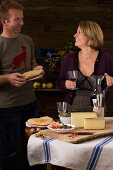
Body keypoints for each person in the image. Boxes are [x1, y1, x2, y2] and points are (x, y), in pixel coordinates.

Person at [0, 1, 46, 170]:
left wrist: (37, 69)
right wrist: (8, 78)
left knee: (35, 148)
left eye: (22, 19)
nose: (22, 23)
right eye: (17, 19)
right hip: (7, 109)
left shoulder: (27, 40)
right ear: (5, 21)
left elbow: (32, 63)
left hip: (30, 104)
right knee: (10, 152)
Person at [58, 20, 113, 113]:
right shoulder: (69, 58)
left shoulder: (107, 59)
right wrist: (65, 84)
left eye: (79, 32)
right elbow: (60, 82)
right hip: (71, 111)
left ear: (90, 35)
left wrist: (111, 82)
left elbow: (111, 85)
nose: (75, 35)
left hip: (97, 112)